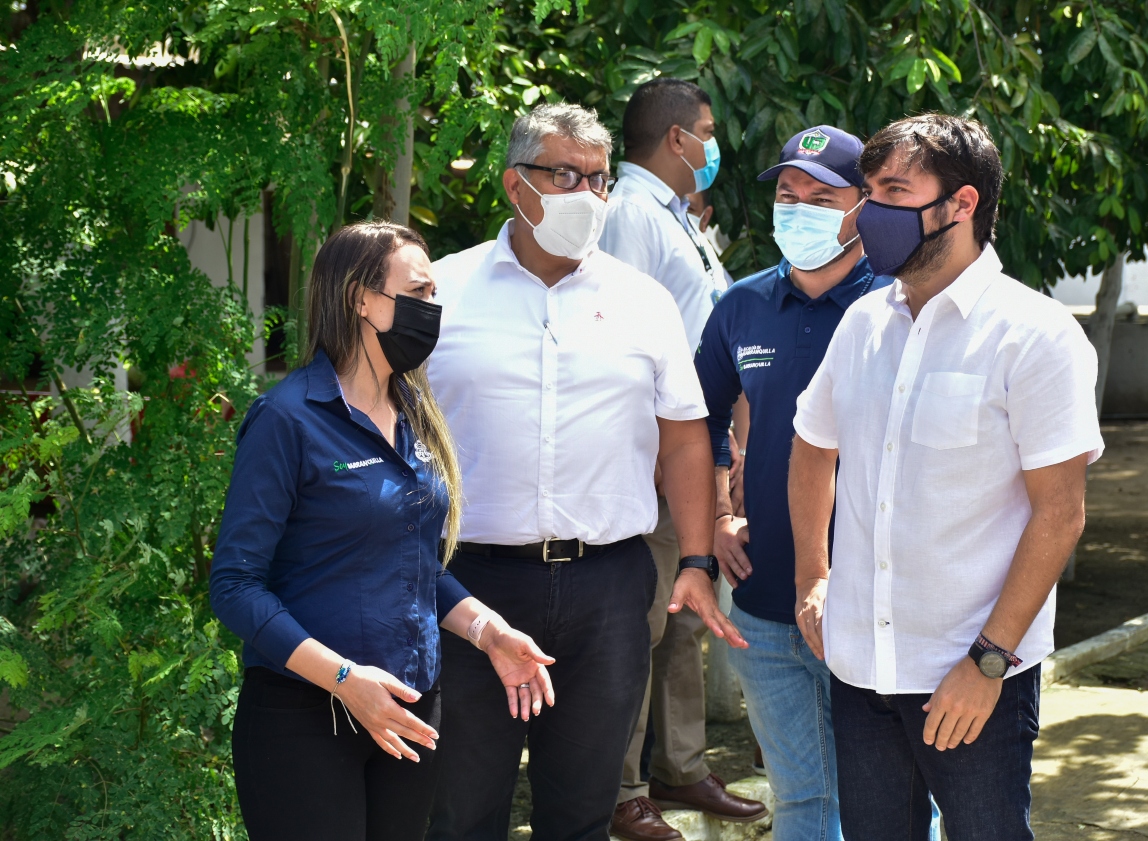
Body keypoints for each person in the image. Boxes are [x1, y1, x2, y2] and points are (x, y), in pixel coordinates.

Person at [423, 102, 747, 841]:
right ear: (515, 185)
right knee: (463, 808)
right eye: (564, 174)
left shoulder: (642, 300)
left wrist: (696, 557)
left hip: (606, 587)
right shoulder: (444, 290)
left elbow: (686, 440)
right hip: (472, 584)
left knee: (582, 809)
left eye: (598, 180)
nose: (586, 194)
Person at [788, 114, 1103, 841]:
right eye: (867, 191)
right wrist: (815, 574)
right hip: (861, 669)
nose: (868, 212)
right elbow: (812, 447)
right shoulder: (864, 324)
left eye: (894, 189)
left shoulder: (1036, 334)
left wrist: (988, 662)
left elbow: (1059, 515)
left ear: (961, 205)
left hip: (971, 676)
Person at [210, 221, 556, 841]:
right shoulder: (286, 419)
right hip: (305, 717)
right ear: (360, 300)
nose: (432, 309)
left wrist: (490, 632)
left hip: (411, 707)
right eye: (417, 293)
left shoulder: (416, 412)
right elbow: (235, 586)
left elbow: (414, 562)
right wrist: (345, 679)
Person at [696, 125, 890, 841]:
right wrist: (716, 516)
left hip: (875, 610)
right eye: (788, 194)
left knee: (895, 807)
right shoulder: (742, 306)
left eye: (820, 195)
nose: (799, 206)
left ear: (864, 205)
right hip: (764, 613)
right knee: (803, 805)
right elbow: (696, 418)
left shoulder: (898, 305)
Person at [599, 78, 767, 841]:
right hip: (654, 451)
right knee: (642, 619)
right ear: (675, 139)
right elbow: (615, 333)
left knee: (683, 614)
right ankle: (624, 787)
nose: (711, 145)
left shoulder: (676, 217)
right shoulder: (631, 214)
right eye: (706, 130)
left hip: (695, 451)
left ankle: (681, 765)